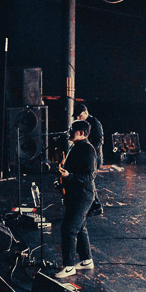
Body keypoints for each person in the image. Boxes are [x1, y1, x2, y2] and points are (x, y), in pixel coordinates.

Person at [54, 120, 97, 279]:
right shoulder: (77, 147)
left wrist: (69, 176)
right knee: (80, 227)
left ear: (81, 132)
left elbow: (90, 175)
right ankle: (86, 260)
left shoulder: (88, 149)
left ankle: (69, 266)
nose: (69, 132)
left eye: (72, 130)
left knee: (69, 229)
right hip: (76, 194)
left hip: (83, 195)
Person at [74, 104, 105, 215]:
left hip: (94, 157)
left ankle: (96, 206)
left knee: (89, 181)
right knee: (88, 181)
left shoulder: (95, 123)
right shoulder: (84, 123)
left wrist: (88, 149)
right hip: (89, 156)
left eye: (79, 116)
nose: (78, 118)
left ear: (85, 112)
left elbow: (99, 141)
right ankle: (94, 205)